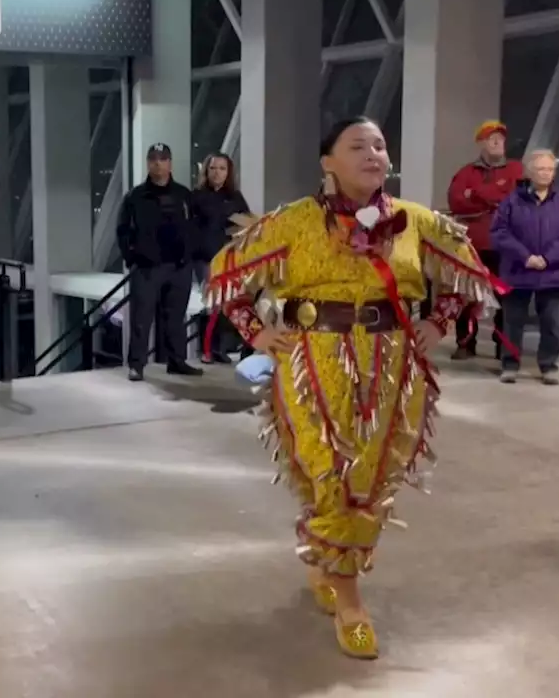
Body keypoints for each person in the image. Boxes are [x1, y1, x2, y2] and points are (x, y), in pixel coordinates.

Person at [204, 116, 498, 659]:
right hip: (312, 360)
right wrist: (257, 332)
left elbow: (471, 273)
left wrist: (441, 320)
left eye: (380, 145)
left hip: (392, 364)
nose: (373, 154)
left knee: (372, 474)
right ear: (328, 162)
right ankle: (349, 597)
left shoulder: (415, 220)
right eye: (357, 145)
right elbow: (225, 275)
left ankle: (327, 558)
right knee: (328, 471)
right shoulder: (292, 222)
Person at [490, 150, 559, 385]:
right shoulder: (512, 201)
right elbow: (499, 233)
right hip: (518, 272)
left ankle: (548, 366)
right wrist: (525, 257)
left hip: (554, 272)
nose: (545, 174)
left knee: (552, 323)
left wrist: (548, 257)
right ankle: (510, 365)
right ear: (529, 172)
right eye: (541, 169)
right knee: (512, 322)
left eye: (550, 169)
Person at [118, 143, 202, 381]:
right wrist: (132, 257)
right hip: (148, 268)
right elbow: (123, 230)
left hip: (179, 267)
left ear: (170, 163)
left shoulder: (184, 195)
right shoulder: (135, 196)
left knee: (175, 318)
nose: (158, 163)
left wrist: (189, 254)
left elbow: (195, 227)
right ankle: (137, 365)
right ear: (148, 163)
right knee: (141, 318)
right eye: (153, 159)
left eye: (163, 159)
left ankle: (176, 361)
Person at [446, 120, 522, 359]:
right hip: (472, 246)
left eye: (501, 138)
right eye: (492, 138)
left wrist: (476, 194)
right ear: (482, 142)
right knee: (468, 297)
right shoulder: (465, 172)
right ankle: (465, 344)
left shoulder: (516, 170)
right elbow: (456, 202)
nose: (498, 142)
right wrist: (494, 199)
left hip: (505, 247)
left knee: (506, 299)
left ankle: (503, 348)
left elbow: (515, 201)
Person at [191, 152, 250, 363]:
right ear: (206, 171)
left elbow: (247, 223)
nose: (217, 173)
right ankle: (206, 351)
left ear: (229, 172)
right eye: (213, 168)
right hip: (205, 258)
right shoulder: (196, 197)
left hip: (229, 259)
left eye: (222, 169)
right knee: (212, 304)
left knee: (227, 305)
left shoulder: (235, 197)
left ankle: (218, 349)